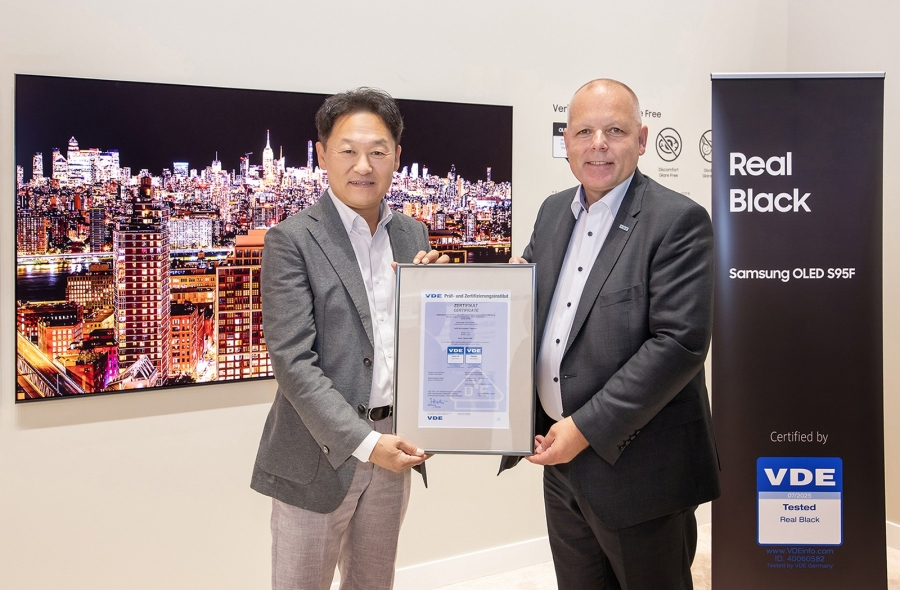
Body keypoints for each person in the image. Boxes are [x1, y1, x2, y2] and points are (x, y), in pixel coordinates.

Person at [500, 79, 720, 589]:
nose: (597, 144)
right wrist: (445, 288)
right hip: (560, 462)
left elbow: (679, 344)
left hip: (641, 469)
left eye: (614, 131)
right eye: (584, 132)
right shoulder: (553, 211)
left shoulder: (677, 220)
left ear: (641, 140)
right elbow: (530, 305)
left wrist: (582, 429)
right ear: (566, 142)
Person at [251, 87, 446, 590]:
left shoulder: (412, 236)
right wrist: (366, 443)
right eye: (348, 150)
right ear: (322, 154)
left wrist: (439, 297)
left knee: (373, 583)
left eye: (378, 151)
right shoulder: (292, 239)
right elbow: (294, 363)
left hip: (395, 446)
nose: (363, 165)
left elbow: (421, 345)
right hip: (318, 456)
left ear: (397, 156)